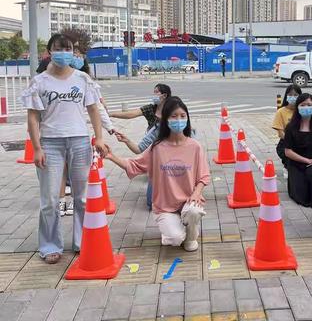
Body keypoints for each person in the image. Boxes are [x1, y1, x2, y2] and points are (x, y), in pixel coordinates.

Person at [22, 33, 109, 264]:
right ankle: (50, 245)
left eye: (68, 48)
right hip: (50, 142)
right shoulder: (39, 82)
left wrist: (98, 137)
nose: (64, 52)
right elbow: (32, 118)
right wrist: (37, 148)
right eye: (59, 48)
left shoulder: (82, 79)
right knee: (50, 199)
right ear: (49, 51)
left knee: (82, 198)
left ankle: (83, 241)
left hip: (80, 141)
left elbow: (93, 110)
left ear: (74, 51)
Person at [106, 97, 210, 251]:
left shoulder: (195, 146)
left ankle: (190, 235)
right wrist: (111, 156)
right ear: (166, 119)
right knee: (174, 239)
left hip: (188, 201)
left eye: (182, 116)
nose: (179, 120)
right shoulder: (157, 148)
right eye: (174, 116)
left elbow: (204, 176)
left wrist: (196, 193)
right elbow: (134, 165)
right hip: (164, 206)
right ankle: (175, 229)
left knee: (194, 213)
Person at [284, 93, 312, 208]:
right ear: (297, 107)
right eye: (303, 105)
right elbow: (287, 151)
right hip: (297, 163)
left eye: (309, 105)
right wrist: (307, 160)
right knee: (301, 195)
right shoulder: (291, 127)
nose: (306, 107)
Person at [272, 84, 302, 168]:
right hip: (286, 142)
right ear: (286, 96)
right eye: (290, 95)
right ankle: (287, 166)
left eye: (295, 95)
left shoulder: (302, 110)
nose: (293, 97)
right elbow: (280, 132)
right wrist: (292, 141)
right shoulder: (281, 111)